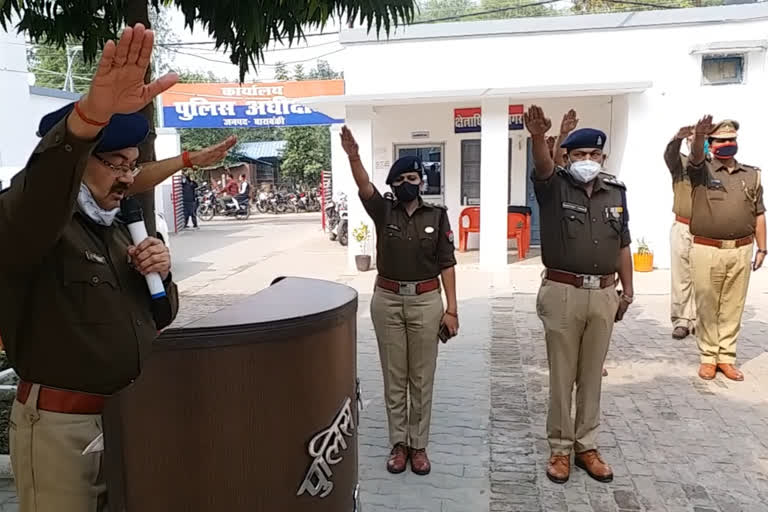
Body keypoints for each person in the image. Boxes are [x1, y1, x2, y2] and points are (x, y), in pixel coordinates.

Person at [0, 25, 180, 511]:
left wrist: (161, 274)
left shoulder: (120, 225)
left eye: (132, 165)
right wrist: (88, 119)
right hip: (62, 432)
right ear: (80, 164)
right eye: (115, 163)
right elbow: (39, 192)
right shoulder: (32, 226)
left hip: (129, 420)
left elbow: (160, 317)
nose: (127, 177)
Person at [339, 126, 459, 476]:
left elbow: (447, 264)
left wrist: (452, 309)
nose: (410, 182)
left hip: (426, 302)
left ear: (422, 182)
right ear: (393, 183)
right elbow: (364, 186)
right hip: (387, 300)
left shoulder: (436, 216)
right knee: (395, 376)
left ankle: (419, 445)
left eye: (415, 177)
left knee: (421, 377)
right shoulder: (383, 211)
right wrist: (353, 156)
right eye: (403, 177)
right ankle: (398, 444)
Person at [524, 106, 634, 485]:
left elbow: (623, 245)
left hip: (604, 294)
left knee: (592, 376)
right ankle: (559, 448)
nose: (588, 161)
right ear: (568, 157)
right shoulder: (555, 187)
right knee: (562, 375)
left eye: (594, 155)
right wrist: (539, 138)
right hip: (562, 292)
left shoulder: (615, 193)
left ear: (602, 158)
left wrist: (628, 292)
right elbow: (542, 166)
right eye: (580, 155)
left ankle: (587, 445)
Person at [687, 116, 766, 381]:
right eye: (721, 140)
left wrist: (762, 249)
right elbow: (696, 156)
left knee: (734, 305)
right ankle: (708, 357)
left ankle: (726, 357)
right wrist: (698, 136)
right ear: (711, 144)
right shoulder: (701, 171)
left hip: (742, 249)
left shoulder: (751, 175)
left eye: (732, 140)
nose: (728, 144)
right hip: (707, 249)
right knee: (707, 302)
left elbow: (759, 214)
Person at [663, 126, 706, 340]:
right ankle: (681, 320)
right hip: (682, 225)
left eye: (702, 137)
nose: (697, 140)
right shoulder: (680, 164)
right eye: (693, 137)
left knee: (703, 277)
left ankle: (700, 320)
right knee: (681, 276)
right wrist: (677, 138)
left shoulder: (714, 166)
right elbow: (669, 154)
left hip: (707, 229)